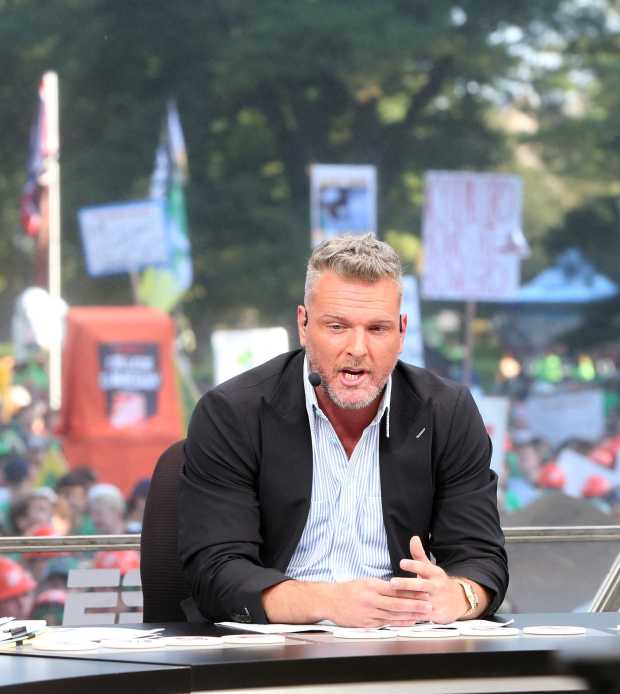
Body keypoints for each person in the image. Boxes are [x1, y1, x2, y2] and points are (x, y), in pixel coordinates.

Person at [178, 233, 508, 626]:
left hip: (400, 647)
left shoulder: (446, 413)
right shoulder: (232, 413)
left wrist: (455, 596)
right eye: (337, 326)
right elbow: (215, 572)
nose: (357, 348)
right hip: (270, 654)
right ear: (303, 325)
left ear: (402, 332)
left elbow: (483, 559)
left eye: (377, 329)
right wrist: (328, 603)